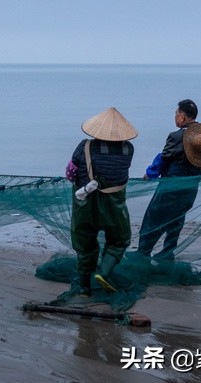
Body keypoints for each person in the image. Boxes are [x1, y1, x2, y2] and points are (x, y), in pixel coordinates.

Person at [65, 107, 136, 295]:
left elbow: (70, 173)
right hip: (114, 205)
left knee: (85, 244)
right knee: (119, 240)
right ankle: (103, 273)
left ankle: (84, 288)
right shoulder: (128, 149)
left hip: (85, 204)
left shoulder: (84, 146)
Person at [136, 100, 201, 259]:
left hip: (170, 189)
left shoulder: (177, 136)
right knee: (176, 222)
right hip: (190, 190)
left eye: (176, 114)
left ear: (182, 117)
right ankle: (167, 254)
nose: (175, 117)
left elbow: (164, 158)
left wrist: (150, 174)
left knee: (153, 219)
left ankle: (142, 253)